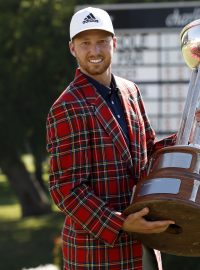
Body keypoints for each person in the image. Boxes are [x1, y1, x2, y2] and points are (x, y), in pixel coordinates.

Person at [46, 7, 200, 270]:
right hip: (97, 252)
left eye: (102, 42)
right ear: (73, 48)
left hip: (145, 243)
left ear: (114, 43)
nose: (95, 51)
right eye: (86, 43)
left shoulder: (131, 91)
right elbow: (66, 190)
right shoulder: (66, 107)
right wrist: (120, 223)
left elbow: (149, 154)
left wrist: (193, 128)